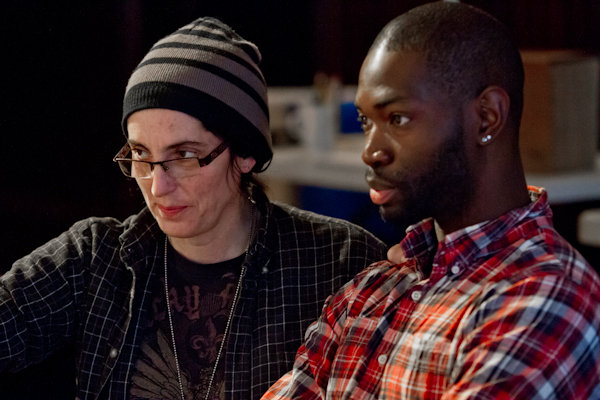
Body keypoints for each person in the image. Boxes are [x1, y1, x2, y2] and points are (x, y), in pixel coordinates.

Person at [0, 17, 387, 400]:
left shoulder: (340, 261)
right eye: (140, 154)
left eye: (184, 155)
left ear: (245, 153)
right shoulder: (94, 257)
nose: (157, 185)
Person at [262, 2, 600, 399]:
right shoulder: (370, 291)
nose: (370, 151)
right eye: (367, 122)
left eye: (398, 119)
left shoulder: (546, 296)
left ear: (487, 117)